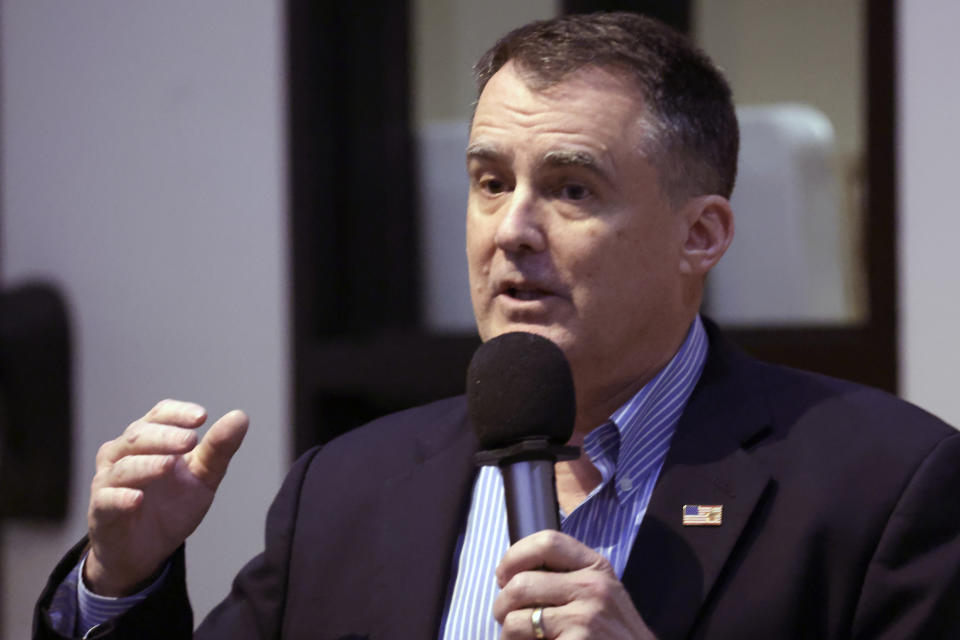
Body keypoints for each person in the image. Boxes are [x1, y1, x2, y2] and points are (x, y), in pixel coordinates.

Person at [35, 12, 960, 640]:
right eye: (489, 182)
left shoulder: (884, 488)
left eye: (569, 188)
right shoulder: (345, 490)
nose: (512, 230)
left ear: (701, 235)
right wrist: (122, 582)